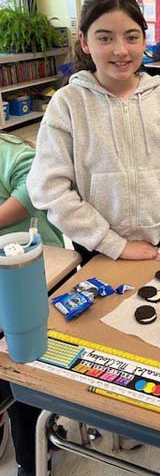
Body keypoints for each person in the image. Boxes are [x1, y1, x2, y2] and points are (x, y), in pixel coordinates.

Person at [27, 0, 160, 266]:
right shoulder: (68, 104)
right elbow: (49, 188)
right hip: (97, 249)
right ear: (84, 41)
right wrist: (113, 244)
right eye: (105, 38)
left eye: (131, 37)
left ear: (144, 40)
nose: (120, 51)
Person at [0, 132, 64, 476]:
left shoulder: (12, 153)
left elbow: (31, 193)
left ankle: (34, 454)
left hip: (33, 275)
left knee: (19, 362)